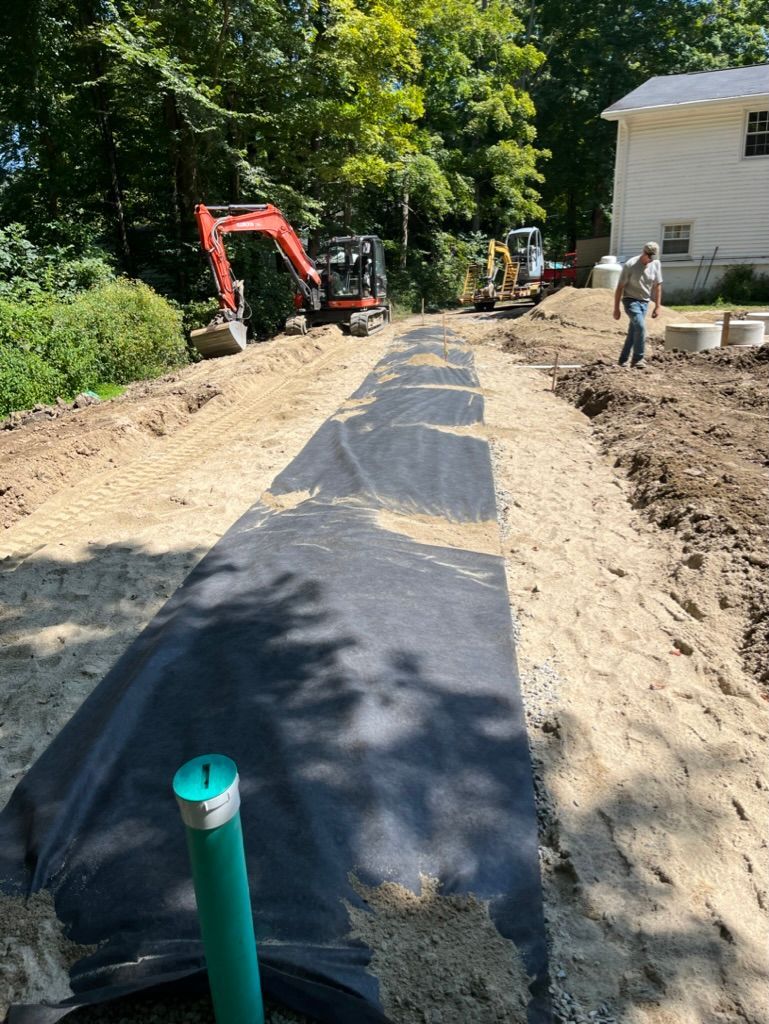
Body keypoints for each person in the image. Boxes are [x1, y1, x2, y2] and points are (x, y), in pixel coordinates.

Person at [613, 241, 663, 368]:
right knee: (640, 326)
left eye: (653, 258)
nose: (650, 261)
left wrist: (657, 306)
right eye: (649, 257)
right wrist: (616, 309)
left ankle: (623, 360)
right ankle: (638, 359)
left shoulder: (656, 264)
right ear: (644, 253)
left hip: (644, 302)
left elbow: (657, 286)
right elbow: (620, 287)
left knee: (633, 331)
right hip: (630, 300)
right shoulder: (630, 265)